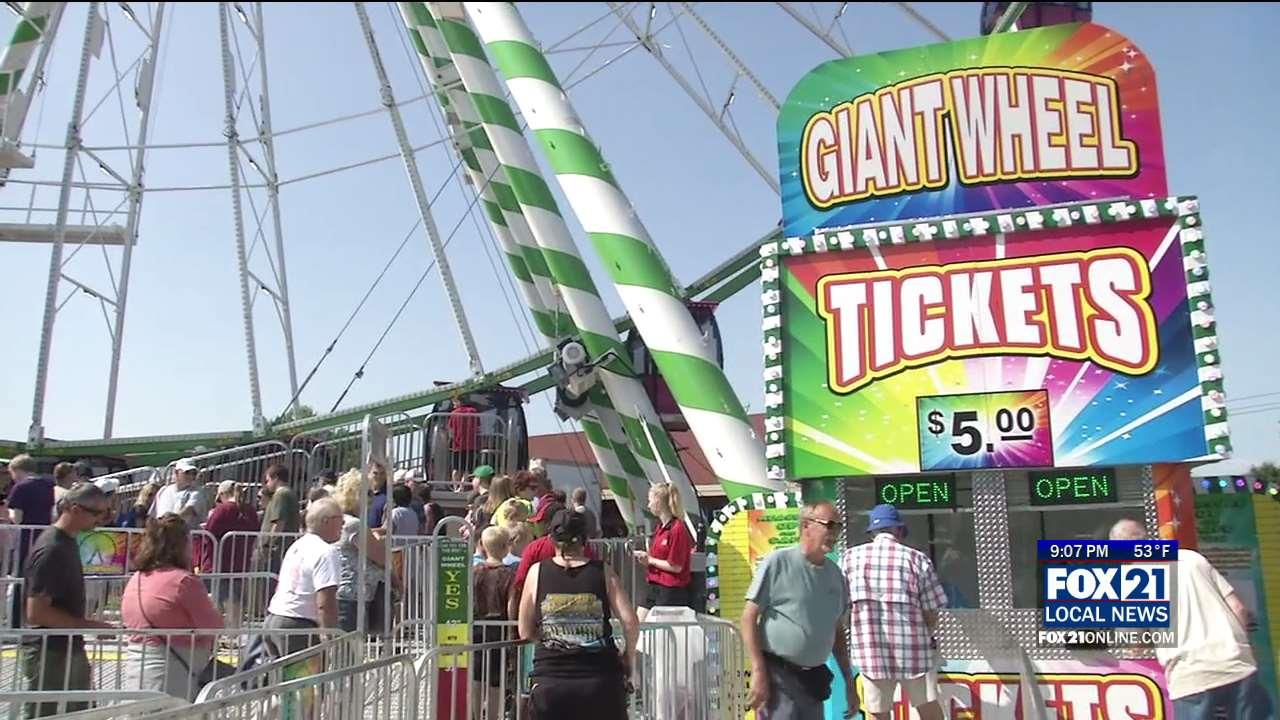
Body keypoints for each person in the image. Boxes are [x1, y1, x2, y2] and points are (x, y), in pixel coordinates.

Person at [1110, 519, 1272, 719]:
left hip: (1191, 676)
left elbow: (1132, 642)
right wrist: (1242, 646)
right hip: (1236, 664)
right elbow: (1237, 608)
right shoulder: (1191, 558)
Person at [517, 509, 638, 720]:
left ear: (551, 539)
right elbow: (629, 622)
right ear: (585, 540)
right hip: (600, 679)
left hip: (551, 680)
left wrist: (552, 640)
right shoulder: (603, 572)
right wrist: (628, 657)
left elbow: (525, 630)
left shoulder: (537, 572)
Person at [742, 500, 855, 720]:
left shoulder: (835, 576)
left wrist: (849, 682)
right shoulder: (778, 562)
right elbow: (748, 617)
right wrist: (758, 670)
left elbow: (837, 631)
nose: (835, 533)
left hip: (813, 682)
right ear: (806, 526)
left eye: (838, 527)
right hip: (778, 677)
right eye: (829, 525)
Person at [843, 504, 947, 720]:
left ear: (872, 532)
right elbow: (931, 611)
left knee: (878, 712)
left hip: (870, 653)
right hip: (915, 653)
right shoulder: (916, 559)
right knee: (928, 707)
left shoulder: (850, 558)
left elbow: (840, 605)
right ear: (898, 531)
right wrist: (926, 633)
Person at [22, 482, 114, 718]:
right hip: (49, 650)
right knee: (45, 713)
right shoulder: (53, 548)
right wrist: (91, 626)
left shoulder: (67, 542)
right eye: (98, 513)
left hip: (65, 646)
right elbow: (37, 612)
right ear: (75, 509)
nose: (102, 520)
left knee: (79, 710)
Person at [121, 514, 224, 700]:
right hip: (173, 674)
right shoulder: (184, 582)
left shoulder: (135, 580)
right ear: (183, 544)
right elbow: (213, 626)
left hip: (136, 669)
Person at [263, 498, 343, 658]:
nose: (343, 525)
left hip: (274, 619)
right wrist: (331, 635)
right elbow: (325, 601)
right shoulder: (326, 551)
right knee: (304, 682)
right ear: (326, 521)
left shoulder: (297, 546)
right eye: (340, 519)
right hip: (298, 626)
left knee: (281, 681)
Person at [331, 470, 389, 633]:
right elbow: (381, 557)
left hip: (346, 591)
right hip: (353, 594)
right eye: (368, 493)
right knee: (350, 649)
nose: (372, 498)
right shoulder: (355, 525)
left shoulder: (342, 520)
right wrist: (378, 539)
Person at [202, 481, 261, 626]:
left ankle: (223, 634)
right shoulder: (250, 511)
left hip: (220, 561)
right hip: (241, 560)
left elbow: (209, 533)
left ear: (222, 494)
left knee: (220, 601)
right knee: (235, 599)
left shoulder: (222, 510)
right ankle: (234, 633)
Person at [634, 483, 695, 619]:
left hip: (670, 590)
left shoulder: (677, 529)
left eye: (650, 500)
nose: (648, 505)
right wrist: (647, 560)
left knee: (660, 631)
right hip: (654, 584)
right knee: (638, 623)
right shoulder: (660, 528)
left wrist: (650, 560)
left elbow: (676, 566)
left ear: (658, 501)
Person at [473, 526, 517, 719]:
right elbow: (511, 606)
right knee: (496, 681)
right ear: (507, 548)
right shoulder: (510, 575)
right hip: (500, 629)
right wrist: (513, 630)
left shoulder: (473, 572)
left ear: (482, 546)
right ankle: (492, 716)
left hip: (475, 628)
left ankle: (474, 714)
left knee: (476, 678)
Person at [8, 454, 55, 629]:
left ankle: (15, 623)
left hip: (25, 539)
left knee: (19, 581)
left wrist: (10, 515)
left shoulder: (21, 487)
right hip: (44, 539)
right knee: (39, 583)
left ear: (16, 470)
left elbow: (18, 518)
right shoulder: (48, 485)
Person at [256, 463, 299, 590]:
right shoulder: (289, 493)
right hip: (280, 548)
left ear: (276, 478)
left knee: (269, 585)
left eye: (268, 480)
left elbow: (278, 522)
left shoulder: (281, 495)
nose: (267, 484)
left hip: (276, 550)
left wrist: (268, 544)